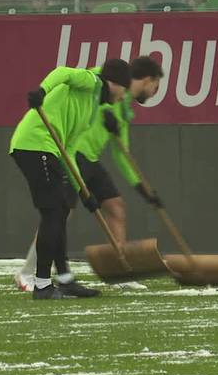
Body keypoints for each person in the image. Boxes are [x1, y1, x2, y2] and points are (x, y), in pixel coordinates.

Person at [15, 56, 164, 292]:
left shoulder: (123, 106)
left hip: (83, 155)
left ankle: (117, 271)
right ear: (148, 80)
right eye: (157, 86)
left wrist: (143, 190)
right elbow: (71, 76)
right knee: (58, 213)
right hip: (68, 151)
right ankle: (30, 272)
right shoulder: (98, 82)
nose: (156, 92)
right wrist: (42, 90)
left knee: (114, 207)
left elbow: (120, 151)